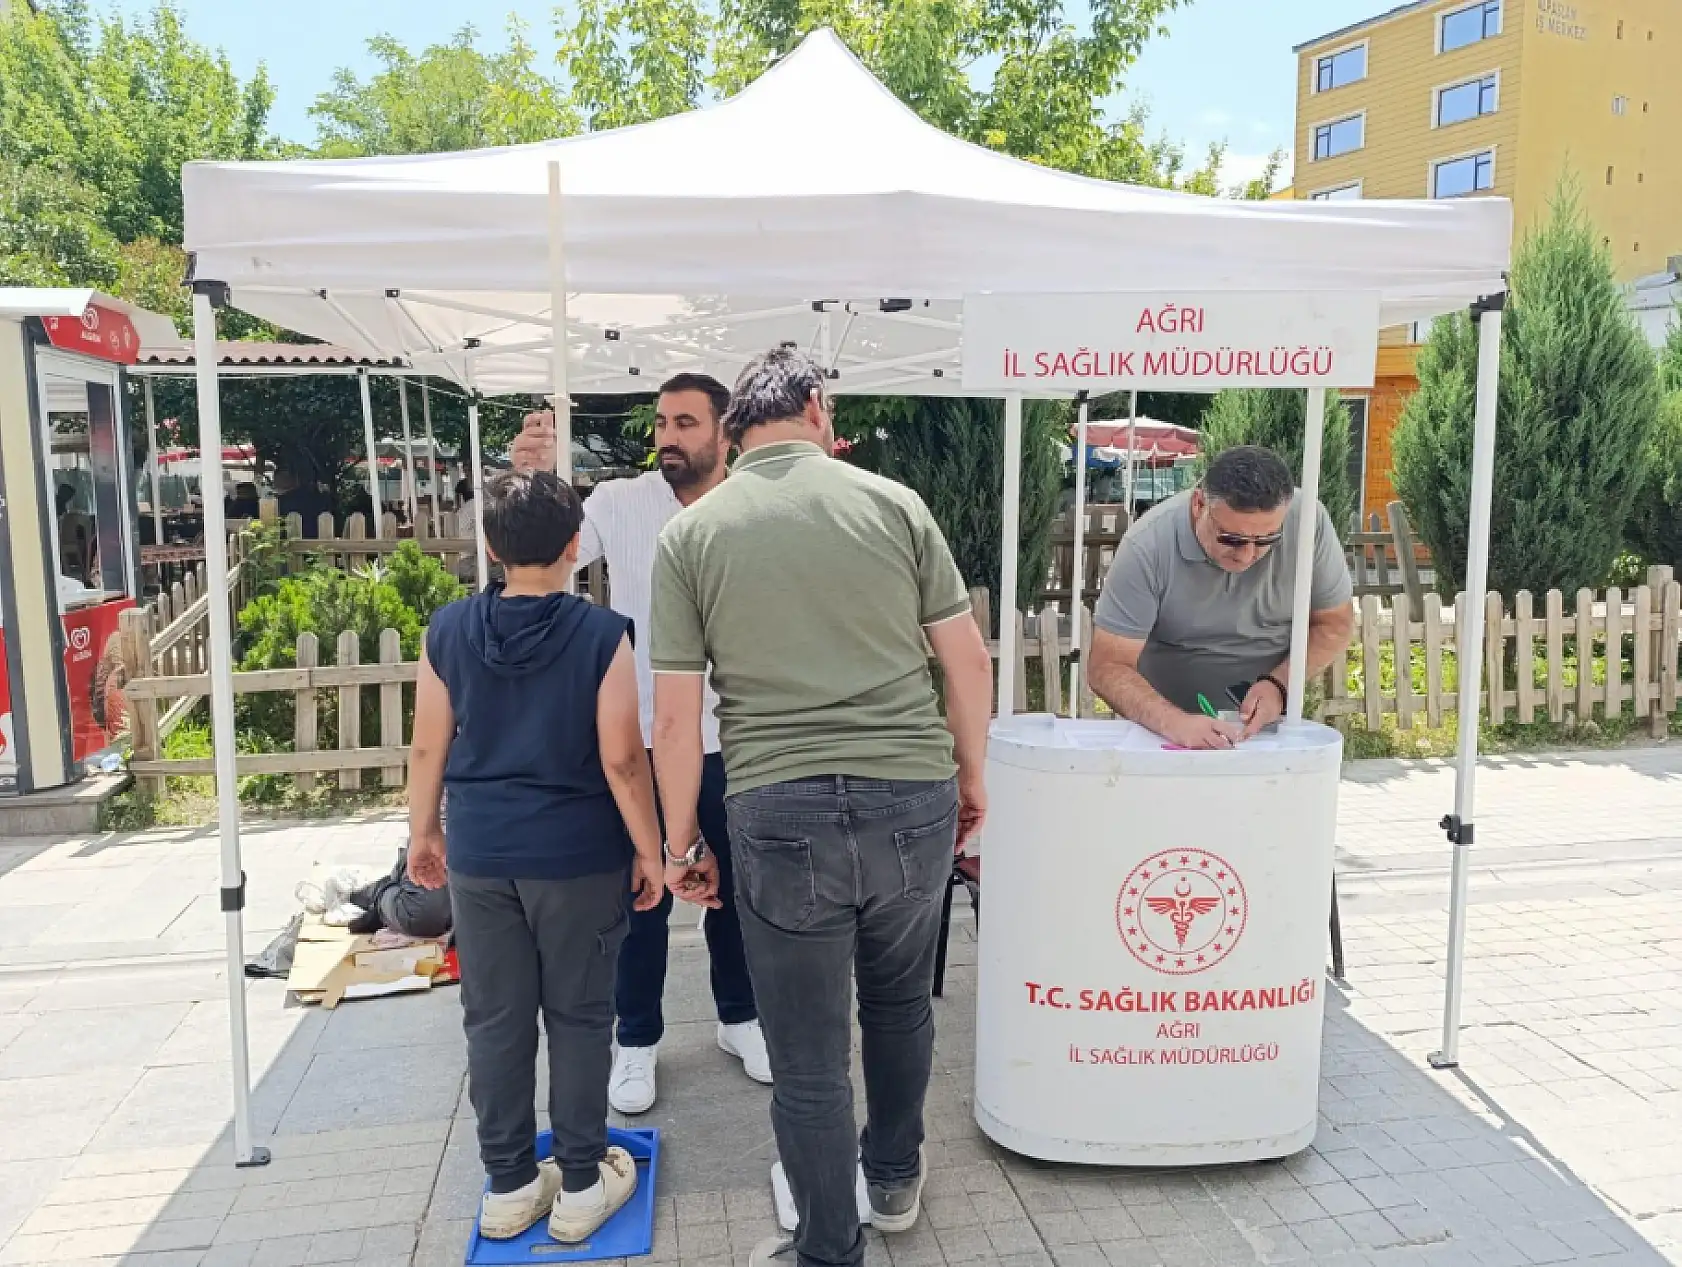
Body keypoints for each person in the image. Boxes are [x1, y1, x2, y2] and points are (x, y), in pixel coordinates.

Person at [649, 348, 995, 1267]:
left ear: (732, 430)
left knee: (805, 1054)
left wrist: (680, 839)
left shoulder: (691, 534)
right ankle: (893, 1178)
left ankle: (828, 1249)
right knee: (898, 1005)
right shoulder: (894, 505)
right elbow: (966, 663)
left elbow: (677, 718)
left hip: (777, 804)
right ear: (815, 408)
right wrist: (972, 778)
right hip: (912, 792)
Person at [407, 469, 667, 1245]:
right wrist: (652, 851)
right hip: (579, 856)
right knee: (583, 1016)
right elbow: (623, 761)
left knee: (494, 1017)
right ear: (575, 546)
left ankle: (511, 1183)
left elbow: (428, 744)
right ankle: (583, 1180)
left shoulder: (447, 629)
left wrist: (423, 832)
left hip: (482, 855)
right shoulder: (602, 634)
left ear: (490, 546)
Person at [510, 375, 769, 1115]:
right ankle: (638, 1039)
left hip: (741, 736)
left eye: (685, 422)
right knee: (642, 896)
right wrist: (527, 482)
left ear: (725, 433)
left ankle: (740, 1017)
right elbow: (544, 559)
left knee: (740, 894)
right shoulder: (620, 504)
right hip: (648, 739)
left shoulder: (755, 509)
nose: (666, 436)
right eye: (660, 421)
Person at [1086, 445, 1355, 749]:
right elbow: (1107, 667)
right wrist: (1173, 722)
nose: (1247, 556)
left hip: (1268, 728)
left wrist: (1279, 684)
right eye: (1231, 539)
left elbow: (1334, 624)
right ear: (1199, 504)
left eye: (1267, 539)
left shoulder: (1309, 523)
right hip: (1161, 734)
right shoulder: (1147, 546)